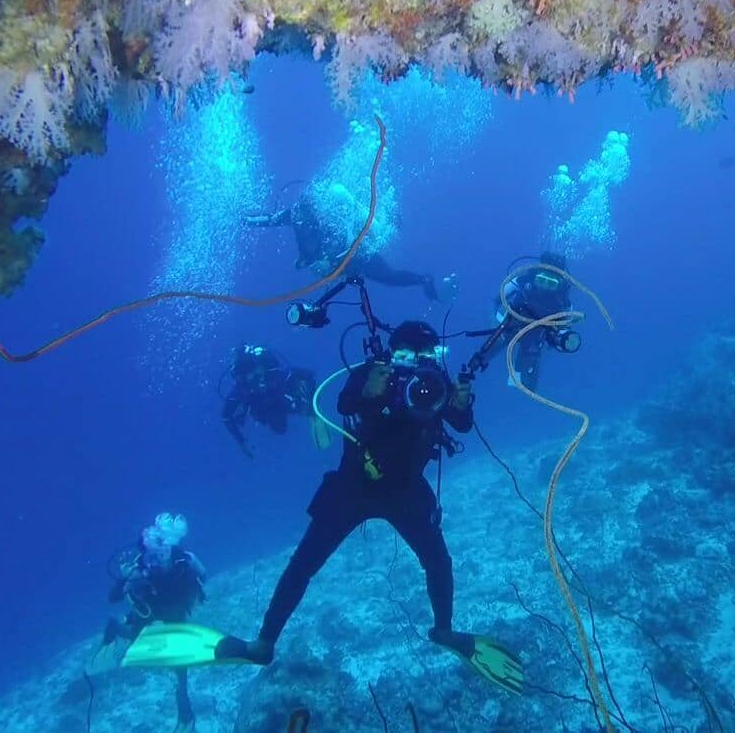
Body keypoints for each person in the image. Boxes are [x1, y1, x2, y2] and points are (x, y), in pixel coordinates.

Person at [121, 322, 523, 694]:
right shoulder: (373, 371)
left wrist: (462, 403)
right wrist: (369, 390)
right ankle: (263, 643)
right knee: (304, 563)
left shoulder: (436, 380)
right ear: (392, 352)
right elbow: (342, 403)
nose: (412, 366)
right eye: (404, 356)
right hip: (353, 486)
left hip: (404, 491)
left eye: (422, 357)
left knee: (438, 561)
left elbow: (460, 424)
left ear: (434, 357)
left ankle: (444, 631)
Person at [93, 514, 207, 733]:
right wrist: (122, 579)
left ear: (173, 544)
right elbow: (113, 598)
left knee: (179, 660)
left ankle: (185, 714)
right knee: (138, 640)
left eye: (164, 551)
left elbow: (204, 576)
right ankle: (114, 628)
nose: (159, 558)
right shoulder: (140, 567)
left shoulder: (186, 559)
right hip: (148, 613)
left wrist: (197, 591)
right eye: (154, 553)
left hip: (175, 614)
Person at [246, 195, 442, 301]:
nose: (302, 222)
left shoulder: (327, 222)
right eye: (300, 218)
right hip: (332, 262)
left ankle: (423, 279)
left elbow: (346, 244)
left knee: (388, 277)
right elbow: (270, 220)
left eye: (307, 219)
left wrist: (329, 260)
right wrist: (248, 221)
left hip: (357, 254)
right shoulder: (295, 215)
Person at [482, 251, 579, 391]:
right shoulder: (522, 281)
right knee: (482, 356)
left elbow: (564, 330)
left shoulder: (563, 300)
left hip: (535, 338)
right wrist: (495, 322)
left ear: (559, 283)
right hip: (510, 327)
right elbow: (494, 301)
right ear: (535, 275)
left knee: (527, 385)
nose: (544, 287)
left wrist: (561, 341)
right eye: (541, 280)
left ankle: (517, 400)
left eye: (551, 283)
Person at [222, 344, 326, 457]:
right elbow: (226, 416)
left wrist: (313, 398)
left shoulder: (276, 374)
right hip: (264, 409)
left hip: (281, 397)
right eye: (253, 378)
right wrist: (242, 442)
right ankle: (305, 406)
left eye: (258, 375)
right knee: (280, 429)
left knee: (297, 404)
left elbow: (308, 375)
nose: (259, 382)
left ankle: (308, 406)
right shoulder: (240, 390)